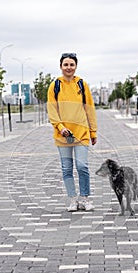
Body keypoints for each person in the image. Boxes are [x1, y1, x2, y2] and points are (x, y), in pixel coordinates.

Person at [47, 53, 97, 212]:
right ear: (61, 66)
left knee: (82, 166)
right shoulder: (55, 85)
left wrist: (93, 131)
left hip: (81, 133)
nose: (69, 67)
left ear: (76, 66)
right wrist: (61, 127)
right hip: (63, 135)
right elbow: (52, 109)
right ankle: (73, 199)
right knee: (67, 169)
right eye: (65, 64)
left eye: (71, 64)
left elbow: (90, 108)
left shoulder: (82, 84)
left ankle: (85, 198)